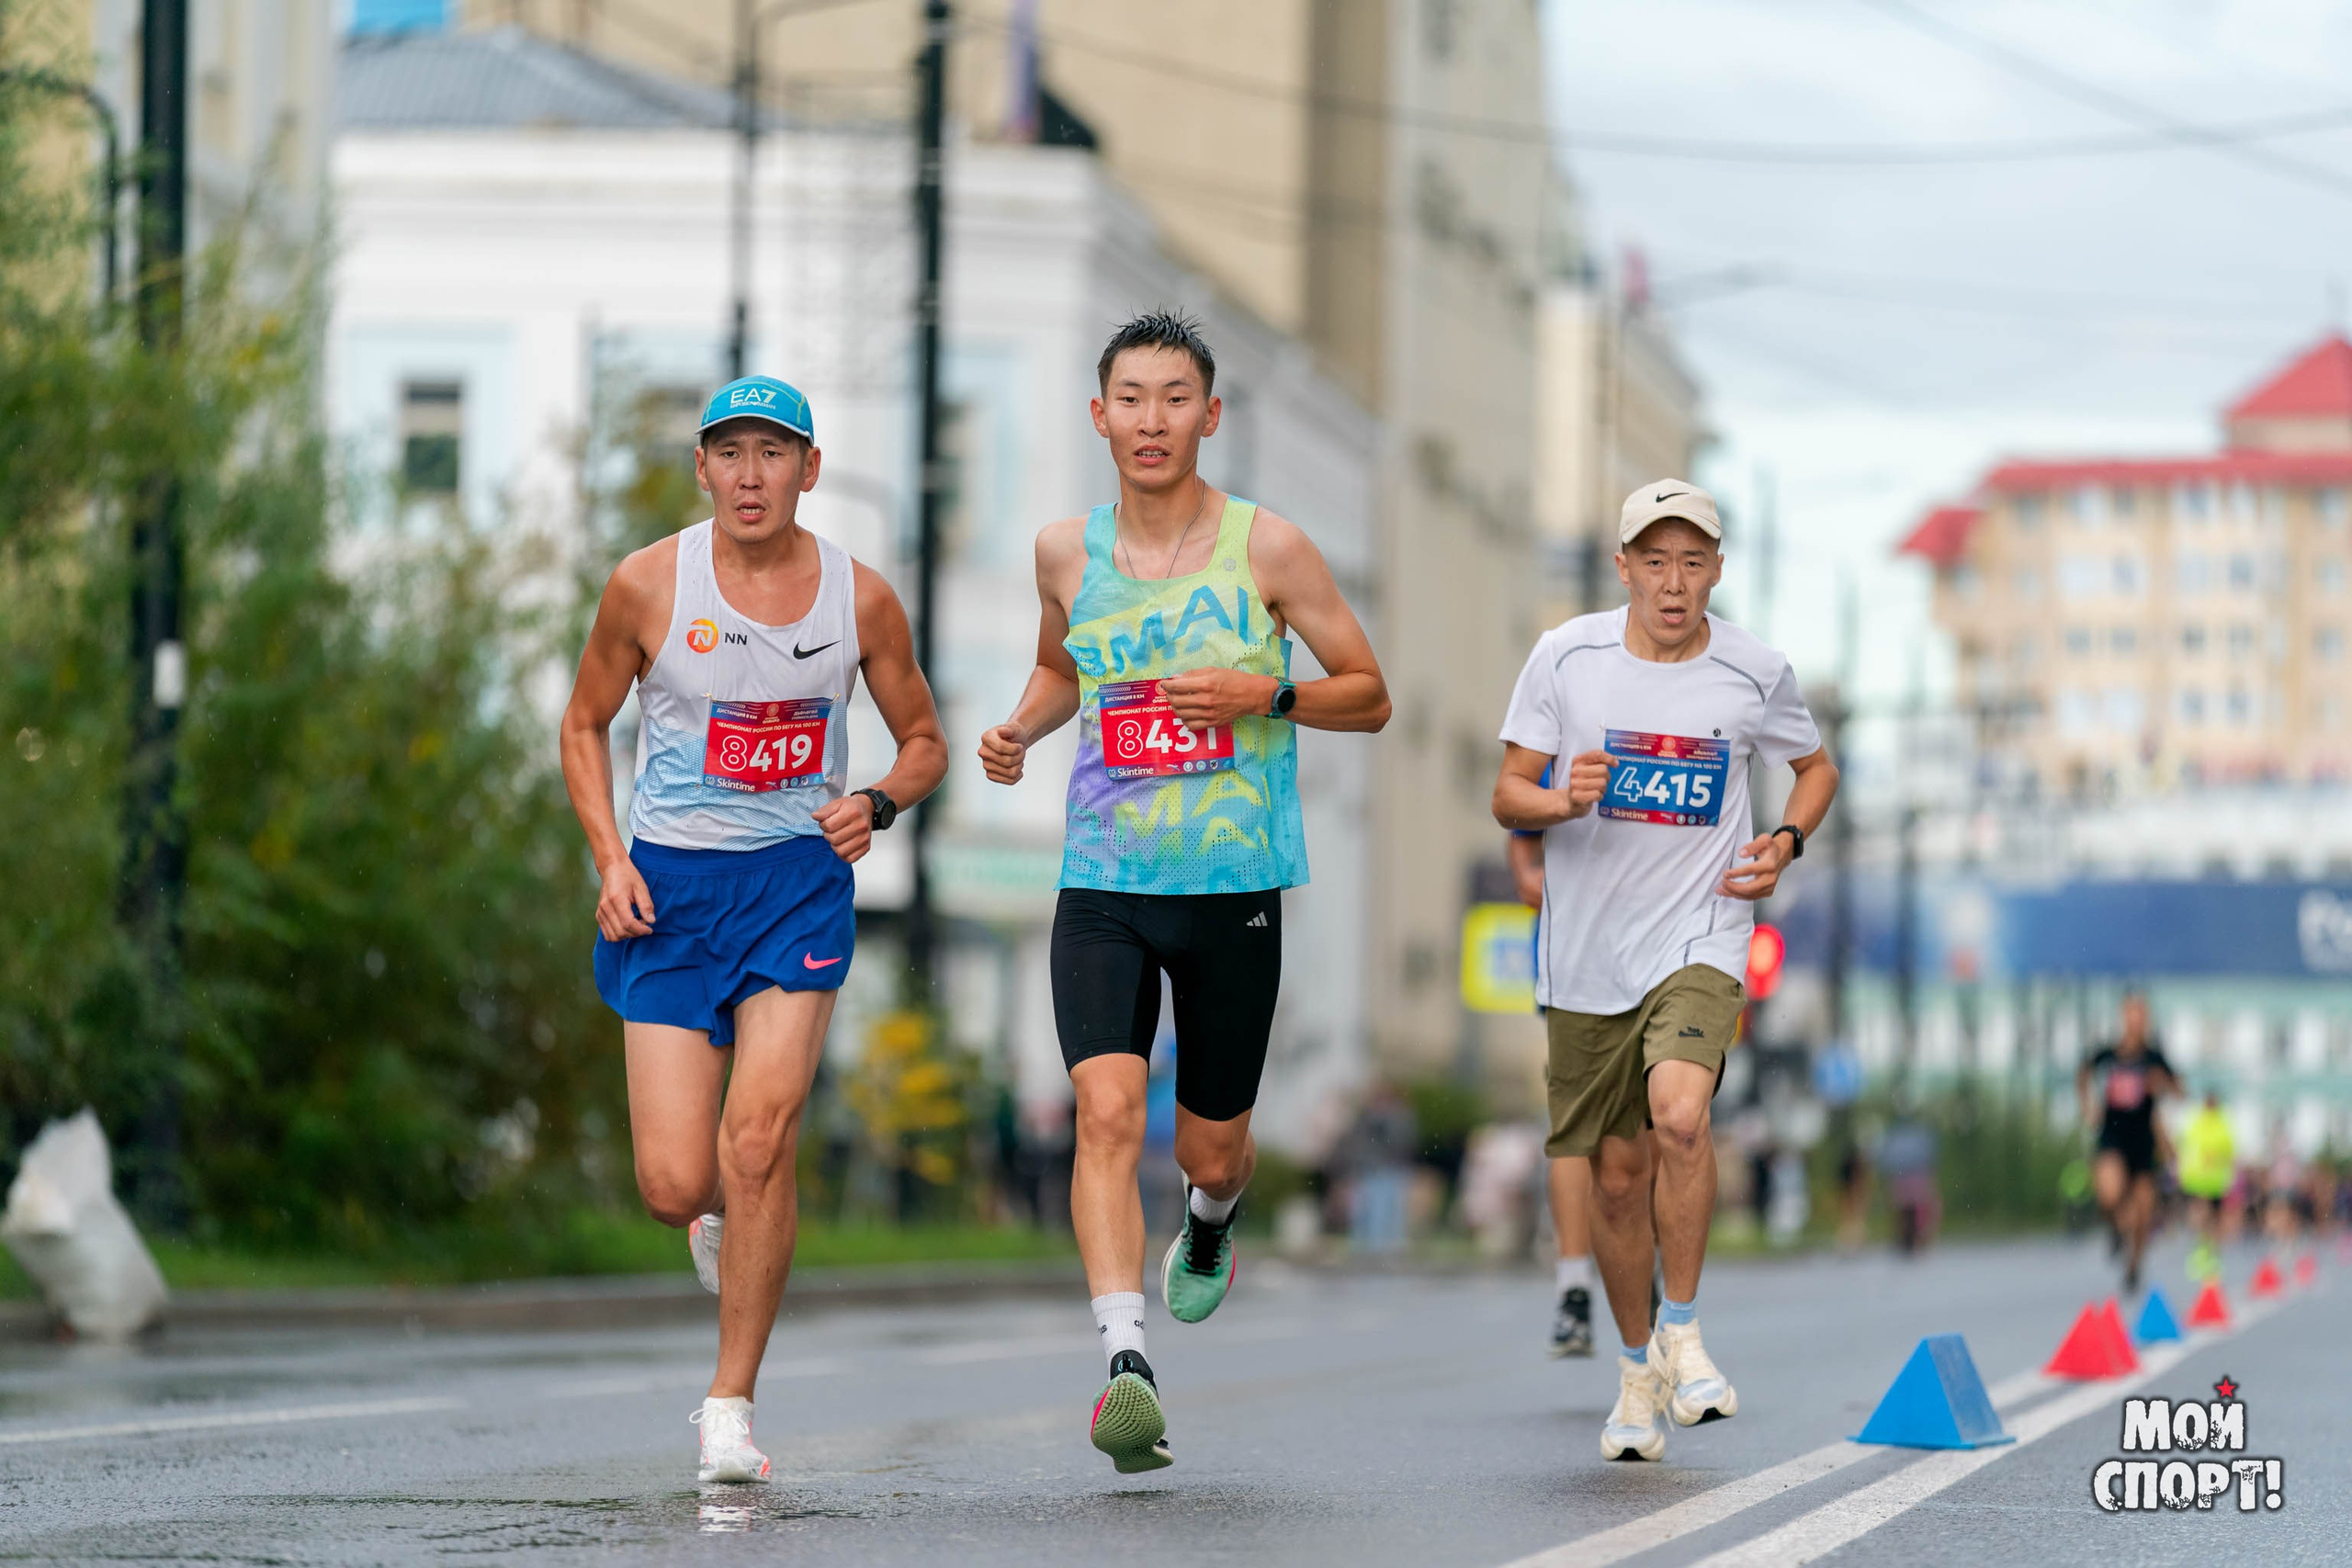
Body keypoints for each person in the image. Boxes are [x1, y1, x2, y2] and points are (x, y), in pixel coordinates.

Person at [978, 310, 1390, 1473]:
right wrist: (1018, 726)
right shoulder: (1067, 551)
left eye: (1175, 399)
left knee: (1209, 1154)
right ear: (1098, 414)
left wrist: (1262, 698)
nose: (1150, 419)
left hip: (1231, 886)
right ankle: (1125, 1362)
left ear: (1209, 417)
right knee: (1105, 1114)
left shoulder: (1270, 550)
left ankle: (1211, 1223)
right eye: (1130, 397)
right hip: (1103, 877)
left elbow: (1368, 691)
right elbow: (1064, 668)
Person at [558, 376, 947, 1484]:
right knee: (679, 1184)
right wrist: (610, 857)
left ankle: (728, 1406)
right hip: (669, 894)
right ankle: (719, 1220)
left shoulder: (859, 601)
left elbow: (923, 740)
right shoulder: (645, 585)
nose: (748, 475)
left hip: (794, 883)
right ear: (702, 469)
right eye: (728, 453)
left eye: (772, 453)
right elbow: (584, 724)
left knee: (760, 1140)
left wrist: (874, 802)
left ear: (808, 471)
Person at [1490, 479, 1838, 1464]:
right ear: (1624, 568)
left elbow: (1815, 769)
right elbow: (1505, 788)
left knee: (1681, 1116)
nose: (1673, 582)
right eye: (1655, 560)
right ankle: (1636, 1370)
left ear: (1716, 571)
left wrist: (1783, 841)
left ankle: (1682, 1333)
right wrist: (1556, 801)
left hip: (1703, 932)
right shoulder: (1568, 656)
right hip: (1588, 952)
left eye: (1692, 562)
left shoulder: (1754, 670)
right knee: (1613, 1176)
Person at [1510, 812, 1595, 1358]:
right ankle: (1574, 1291)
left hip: (1666, 944)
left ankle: (1650, 1264)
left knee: (1661, 1123)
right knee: (1576, 1128)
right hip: (1574, 952)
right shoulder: (1567, 727)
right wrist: (1526, 871)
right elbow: (1517, 815)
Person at [2076, 993, 2179, 1296]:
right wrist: (2087, 1106)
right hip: (2113, 1135)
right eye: (2132, 1015)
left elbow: (2179, 1090)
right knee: (2109, 1194)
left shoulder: (2154, 1058)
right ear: (2124, 1017)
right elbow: (2083, 1074)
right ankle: (2114, 1228)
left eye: (2142, 1015)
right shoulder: (2108, 1055)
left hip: (2143, 1141)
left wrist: (2162, 1083)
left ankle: (2134, 1265)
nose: (2137, 1021)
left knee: (2143, 1214)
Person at [2177, 1089, 2234, 1282]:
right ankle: (2202, 1251)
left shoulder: (2222, 1123)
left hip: (2215, 1181)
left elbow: (2228, 1151)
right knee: (2200, 1214)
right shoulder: (2197, 1122)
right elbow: (2186, 1147)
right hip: (2197, 1179)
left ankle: (2212, 1253)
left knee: (2214, 1219)